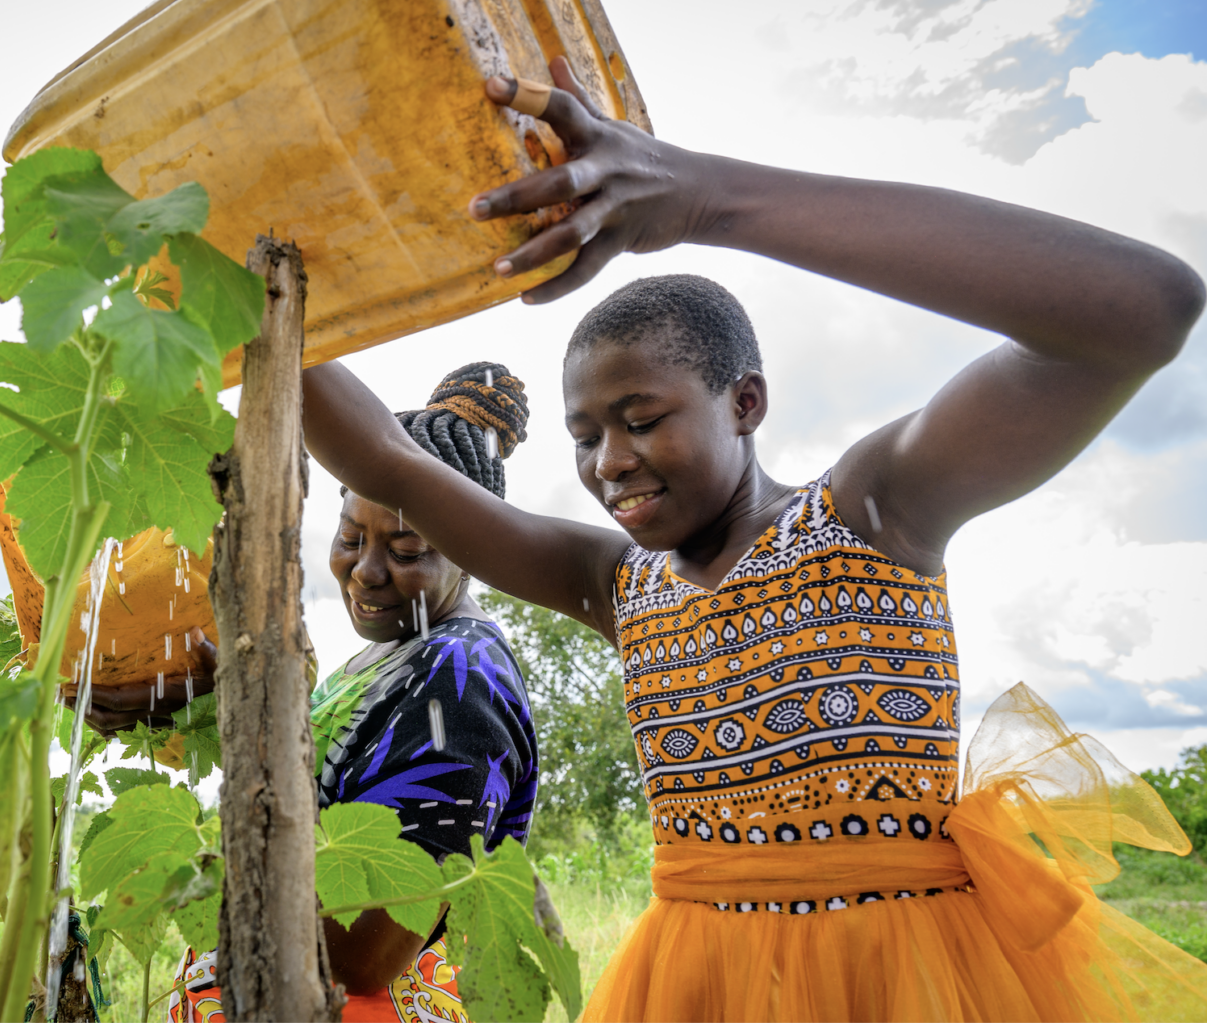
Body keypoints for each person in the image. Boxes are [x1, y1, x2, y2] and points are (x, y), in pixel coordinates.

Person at [297, 59, 1207, 1020]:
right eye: (584, 437)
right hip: (694, 987)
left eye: (640, 417)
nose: (609, 462)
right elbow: (392, 465)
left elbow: (1144, 310)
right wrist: (237, 254)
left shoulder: (870, 512)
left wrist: (707, 198)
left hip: (904, 981)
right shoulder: (617, 584)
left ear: (747, 401)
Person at [80, 363, 540, 1023]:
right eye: (352, 536)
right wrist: (205, 690)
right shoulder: (391, 650)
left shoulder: (461, 682)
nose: (366, 570)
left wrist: (199, 873)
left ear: (472, 549)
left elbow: (362, 955)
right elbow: (318, 753)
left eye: (407, 550)